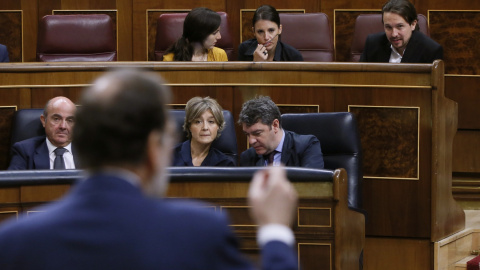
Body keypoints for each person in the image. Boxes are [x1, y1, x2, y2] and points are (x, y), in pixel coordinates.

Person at [0, 69, 299, 270]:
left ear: (86, 145)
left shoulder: (13, 242)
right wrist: (275, 230)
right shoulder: (199, 232)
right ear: (155, 151)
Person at [238, 96, 324, 168]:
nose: (251, 141)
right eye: (247, 134)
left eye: (257, 133)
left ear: (275, 125)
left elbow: (313, 186)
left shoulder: (307, 146)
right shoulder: (247, 157)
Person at [360, 0, 443, 63]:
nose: (394, 34)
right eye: (388, 27)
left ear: (413, 24)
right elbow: (360, 78)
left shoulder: (431, 50)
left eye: (400, 26)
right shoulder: (372, 44)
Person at [8, 96, 78, 170]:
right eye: (56, 119)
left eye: (70, 120)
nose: (63, 126)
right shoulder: (24, 151)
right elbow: (14, 180)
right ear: (44, 120)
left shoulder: (88, 151)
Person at [173, 96, 235, 166]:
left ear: (218, 126)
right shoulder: (169, 156)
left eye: (211, 122)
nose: (205, 127)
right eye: (198, 122)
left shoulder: (225, 164)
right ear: (189, 126)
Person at [238, 5, 303, 62]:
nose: (266, 37)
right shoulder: (244, 49)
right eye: (260, 32)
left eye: (271, 30)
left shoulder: (293, 56)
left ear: (279, 29)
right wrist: (255, 64)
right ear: (253, 32)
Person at [163, 7, 228, 62]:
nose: (219, 37)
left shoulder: (220, 55)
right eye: (214, 33)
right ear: (199, 34)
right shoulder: (170, 59)